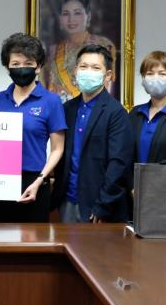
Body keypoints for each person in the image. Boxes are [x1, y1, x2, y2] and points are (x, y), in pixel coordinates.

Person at [0, 33, 66, 223]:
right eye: (15, 64)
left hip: (33, 181)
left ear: (38, 66)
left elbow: (57, 148)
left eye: (28, 63)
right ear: (7, 67)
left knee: (32, 239)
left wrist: (40, 180)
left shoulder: (51, 101)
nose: (21, 68)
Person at [53, 44, 134, 223]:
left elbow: (119, 164)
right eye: (83, 67)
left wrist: (103, 205)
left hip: (98, 207)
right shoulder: (67, 109)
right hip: (67, 201)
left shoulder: (116, 113)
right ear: (75, 71)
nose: (88, 72)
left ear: (108, 75)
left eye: (96, 68)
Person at [44, 0, 116, 102]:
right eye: (66, 14)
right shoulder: (53, 51)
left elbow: (106, 88)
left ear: (88, 16)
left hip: (91, 108)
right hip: (59, 108)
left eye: (77, 13)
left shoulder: (103, 44)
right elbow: (48, 87)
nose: (71, 19)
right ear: (60, 19)